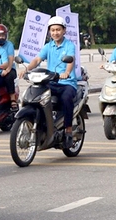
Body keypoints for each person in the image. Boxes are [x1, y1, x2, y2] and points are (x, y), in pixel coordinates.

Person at [19, 16, 77, 146]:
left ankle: (68, 130)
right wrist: (26, 69)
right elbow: (37, 60)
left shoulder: (69, 45)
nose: (55, 32)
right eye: (52, 30)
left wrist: (66, 73)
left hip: (67, 83)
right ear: (49, 32)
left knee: (66, 98)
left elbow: (70, 60)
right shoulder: (48, 46)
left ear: (64, 31)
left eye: (58, 29)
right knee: (37, 96)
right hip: (51, 81)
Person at [0, 23, 18, 110]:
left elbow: (11, 59)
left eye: (3, 35)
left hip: (9, 69)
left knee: (9, 76)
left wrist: (7, 70)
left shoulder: (9, 45)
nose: (1, 37)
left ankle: (12, 99)